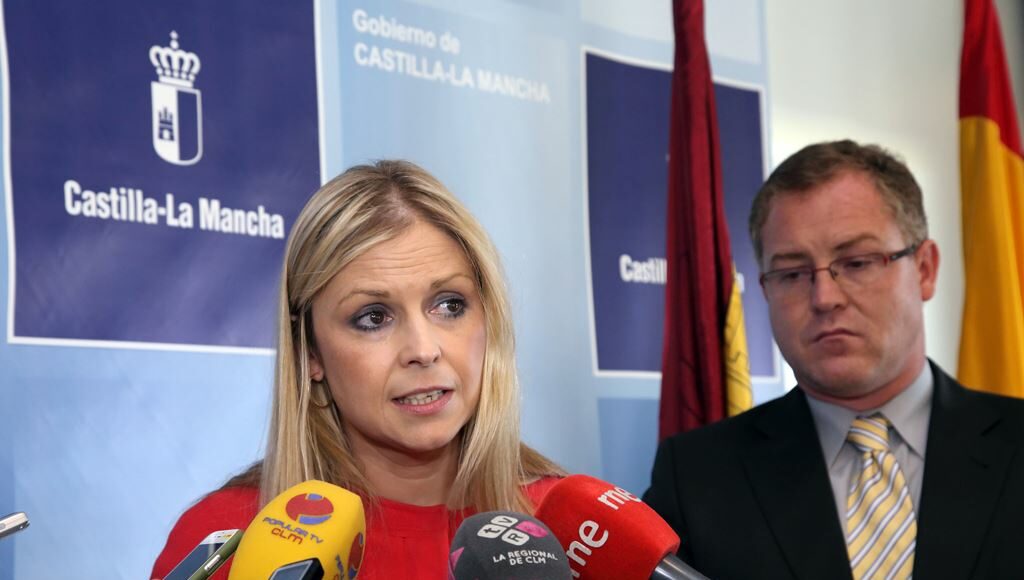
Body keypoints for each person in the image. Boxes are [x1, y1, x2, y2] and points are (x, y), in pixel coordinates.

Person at [151, 160, 563, 579]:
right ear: (310, 352)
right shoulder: (225, 541)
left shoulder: (576, 533)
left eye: (449, 305)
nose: (424, 350)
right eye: (373, 317)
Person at [644, 140, 1024, 579]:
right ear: (765, 290)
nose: (824, 297)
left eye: (857, 263)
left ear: (924, 269)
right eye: (792, 273)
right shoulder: (697, 476)